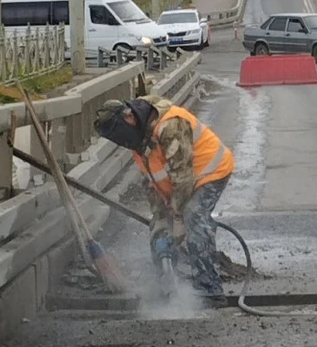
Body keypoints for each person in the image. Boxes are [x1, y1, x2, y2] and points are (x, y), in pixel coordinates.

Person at [94, 96, 235, 305]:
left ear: (130, 118)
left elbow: (183, 177)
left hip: (210, 171)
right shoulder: (138, 140)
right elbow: (153, 181)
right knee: (159, 228)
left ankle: (209, 288)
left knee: (194, 215)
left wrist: (178, 217)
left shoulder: (170, 125)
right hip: (180, 182)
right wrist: (160, 218)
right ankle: (166, 284)